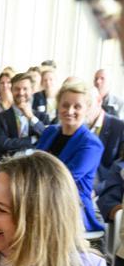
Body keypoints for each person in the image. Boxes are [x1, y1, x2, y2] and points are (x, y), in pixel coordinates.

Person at [37, 81, 104, 233]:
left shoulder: (91, 144)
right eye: (65, 105)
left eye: (77, 106)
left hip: (71, 207)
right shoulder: (50, 132)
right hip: (39, 199)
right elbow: (34, 165)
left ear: (86, 109)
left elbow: (66, 179)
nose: (70, 110)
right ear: (58, 106)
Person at [0, 72, 46, 161]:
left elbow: (47, 138)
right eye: (17, 89)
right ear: (11, 90)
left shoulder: (42, 118)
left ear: (31, 91)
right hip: (8, 165)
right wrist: (32, 140)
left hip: (35, 166)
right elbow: (2, 144)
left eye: (25, 89)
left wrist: (31, 117)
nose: (21, 92)